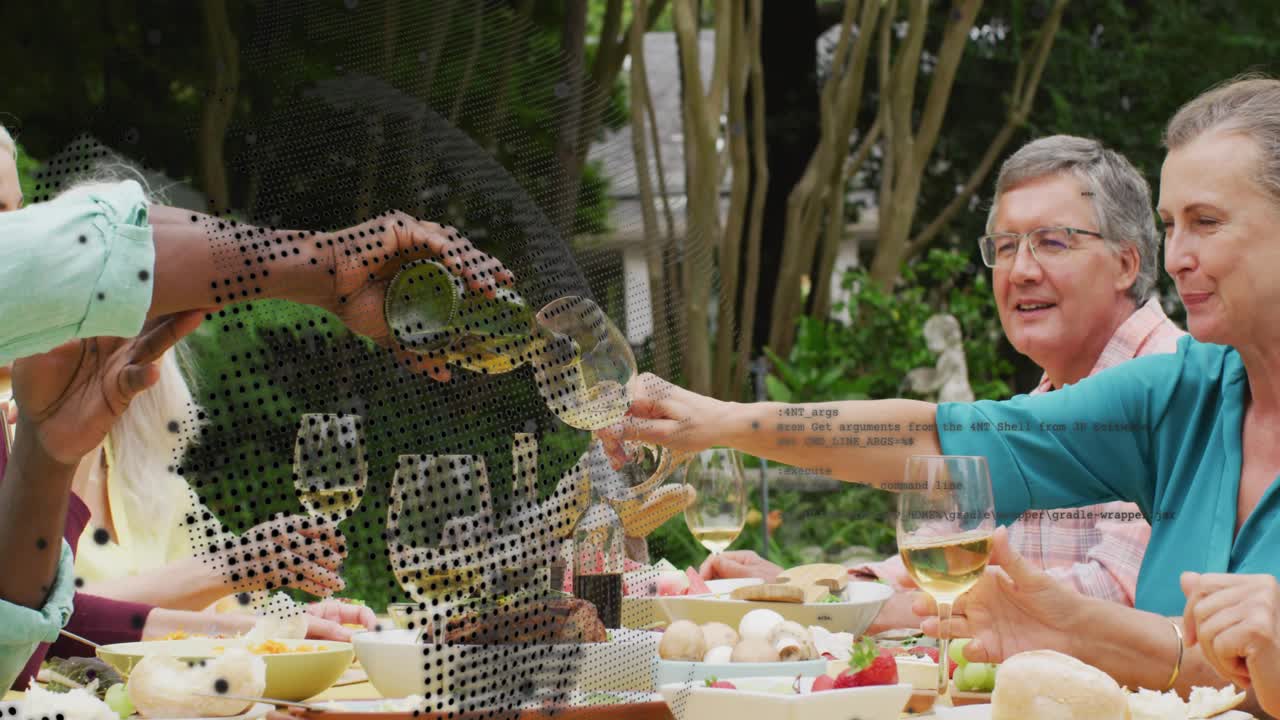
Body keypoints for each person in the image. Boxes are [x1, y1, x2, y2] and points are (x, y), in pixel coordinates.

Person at [601, 75, 1280, 711]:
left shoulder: (1167, 372)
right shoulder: (1184, 392)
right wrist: (725, 421)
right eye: (1170, 225)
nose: (1176, 256)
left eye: (1207, 222)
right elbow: (937, 437)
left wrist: (1076, 629)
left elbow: (1198, 652)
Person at [698, 135, 1185, 632]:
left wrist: (840, 612)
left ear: (1126, 264)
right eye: (1006, 246)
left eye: (1052, 242)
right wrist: (805, 589)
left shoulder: (1175, 386)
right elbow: (938, 551)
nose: (1020, 271)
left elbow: (1118, 596)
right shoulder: (1049, 399)